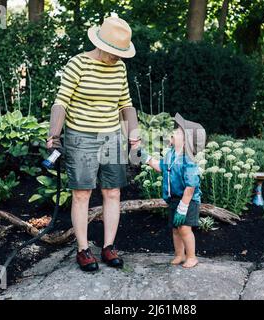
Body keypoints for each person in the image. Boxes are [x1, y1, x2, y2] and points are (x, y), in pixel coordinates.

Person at [46, 14, 140, 272]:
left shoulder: (119, 67)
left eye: (120, 53)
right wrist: (54, 135)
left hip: (111, 136)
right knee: (82, 193)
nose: (116, 57)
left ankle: (108, 247)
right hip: (81, 136)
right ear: (100, 44)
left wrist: (134, 136)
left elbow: (125, 104)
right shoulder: (77, 64)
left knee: (113, 192)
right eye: (113, 52)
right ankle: (83, 249)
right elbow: (61, 102)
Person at [139, 113, 206, 268]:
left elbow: (191, 187)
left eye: (178, 131)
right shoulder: (171, 154)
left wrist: (183, 207)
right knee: (175, 229)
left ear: (186, 142)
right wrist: (146, 158)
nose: (173, 132)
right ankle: (179, 254)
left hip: (188, 201)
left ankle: (192, 256)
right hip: (174, 198)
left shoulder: (188, 160)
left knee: (184, 228)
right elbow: (160, 167)